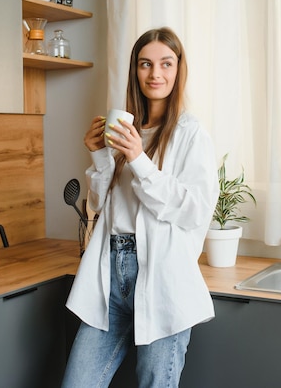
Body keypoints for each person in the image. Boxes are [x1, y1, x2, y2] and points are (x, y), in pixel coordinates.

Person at [62, 27, 219, 388]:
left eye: (166, 63)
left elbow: (194, 209)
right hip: (110, 275)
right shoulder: (128, 127)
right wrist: (100, 153)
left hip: (163, 278)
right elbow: (100, 203)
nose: (155, 74)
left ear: (179, 69)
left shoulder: (190, 133)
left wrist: (138, 159)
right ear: (135, 70)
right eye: (145, 64)